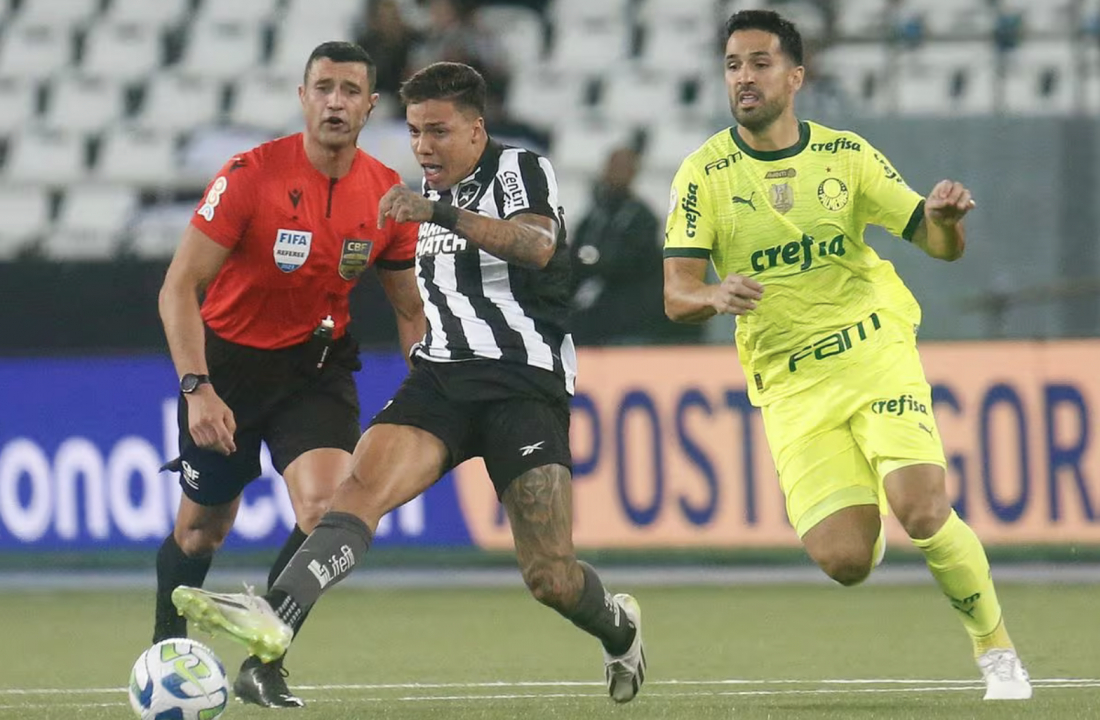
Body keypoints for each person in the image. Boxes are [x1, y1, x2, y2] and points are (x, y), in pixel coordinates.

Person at [170, 61, 647, 705]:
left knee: (550, 577)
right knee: (352, 499)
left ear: (477, 131)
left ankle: (618, 626)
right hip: (441, 381)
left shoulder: (517, 170)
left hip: (522, 386)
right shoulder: (411, 195)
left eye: (439, 131)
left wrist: (438, 212)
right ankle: (270, 640)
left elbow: (537, 246)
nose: (424, 146)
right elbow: (408, 303)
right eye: (416, 131)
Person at [663, 9, 1031, 701]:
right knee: (845, 561)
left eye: (760, 62)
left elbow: (935, 240)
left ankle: (997, 652)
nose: (744, 77)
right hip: (793, 383)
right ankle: (866, 508)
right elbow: (676, 293)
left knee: (922, 510)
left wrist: (946, 223)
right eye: (734, 65)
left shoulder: (846, 156)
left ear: (795, 75)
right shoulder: (703, 174)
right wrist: (712, 296)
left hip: (873, 350)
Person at [154, 41, 424, 708]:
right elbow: (177, 288)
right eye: (323, 87)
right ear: (303, 98)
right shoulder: (250, 175)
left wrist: (428, 381)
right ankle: (163, 654)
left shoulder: (386, 194)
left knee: (328, 509)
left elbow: (409, 307)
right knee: (200, 533)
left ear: (370, 105)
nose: (335, 101)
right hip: (229, 370)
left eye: (349, 90)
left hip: (316, 366)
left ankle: (264, 657)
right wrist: (197, 389)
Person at [569, 146, 699, 345]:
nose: (614, 173)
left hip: (629, 317)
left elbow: (632, 264)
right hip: (591, 314)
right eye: (612, 167)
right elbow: (574, 257)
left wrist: (593, 259)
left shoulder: (642, 218)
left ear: (633, 173)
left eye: (622, 168)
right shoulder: (594, 216)